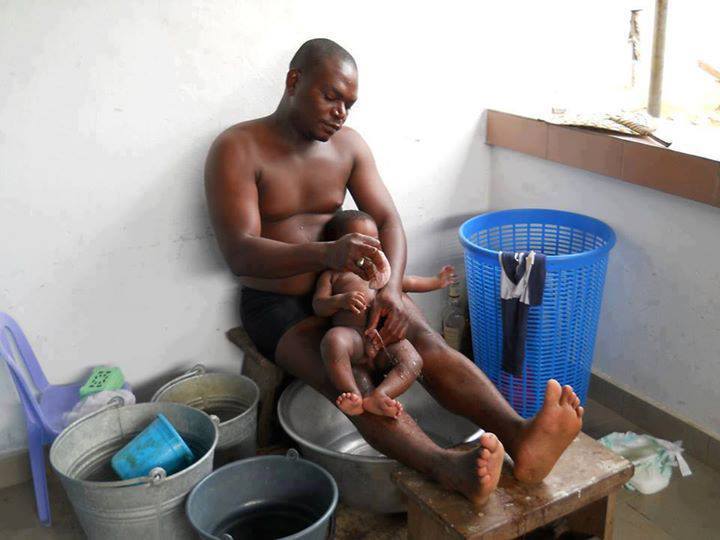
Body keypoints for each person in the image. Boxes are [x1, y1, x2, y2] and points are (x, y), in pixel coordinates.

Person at [205, 38, 584, 506]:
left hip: (356, 288)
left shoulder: (349, 147)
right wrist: (326, 255)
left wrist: (388, 287)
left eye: (349, 103)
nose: (340, 113)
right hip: (278, 304)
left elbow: (388, 221)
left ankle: (522, 437)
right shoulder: (238, 147)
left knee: (424, 346)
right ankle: (448, 467)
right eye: (330, 96)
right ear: (293, 81)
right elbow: (240, 254)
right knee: (352, 380)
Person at [314, 209, 456, 418]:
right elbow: (319, 305)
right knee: (332, 341)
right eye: (363, 244)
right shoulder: (333, 276)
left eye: (375, 242)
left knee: (413, 359)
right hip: (352, 336)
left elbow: (411, 282)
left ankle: (381, 395)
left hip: (384, 341)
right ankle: (352, 393)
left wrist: (437, 281)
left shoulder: (383, 272)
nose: (371, 250)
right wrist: (340, 300)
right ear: (340, 247)